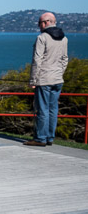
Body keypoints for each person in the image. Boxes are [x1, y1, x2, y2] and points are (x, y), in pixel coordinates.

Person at [26, 11, 68, 147]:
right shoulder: (64, 38)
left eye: (39, 23)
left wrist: (33, 80)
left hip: (44, 79)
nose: (39, 26)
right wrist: (59, 72)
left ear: (45, 23)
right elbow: (64, 59)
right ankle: (50, 137)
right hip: (57, 79)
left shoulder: (42, 38)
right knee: (53, 109)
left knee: (42, 109)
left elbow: (37, 60)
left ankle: (40, 138)